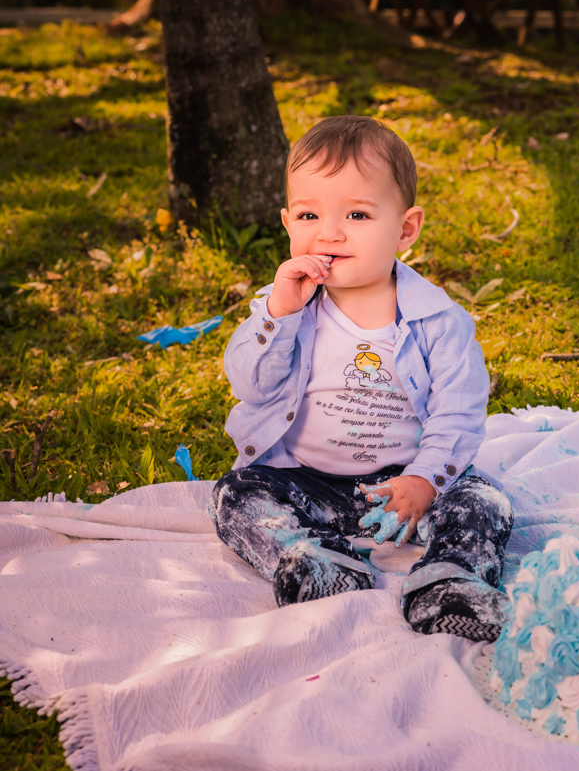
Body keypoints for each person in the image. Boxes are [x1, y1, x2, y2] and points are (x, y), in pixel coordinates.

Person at [208, 115, 511, 643]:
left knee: (485, 501)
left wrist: (424, 480)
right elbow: (250, 386)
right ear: (287, 223)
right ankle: (314, 562)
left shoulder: (439, 321)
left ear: (406, 228)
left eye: (356, 213)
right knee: (236, 493)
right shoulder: (286, 310)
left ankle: (451, 582)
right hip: (308, 482)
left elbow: (457, 414)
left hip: (402, 486)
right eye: (308, 214)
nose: (329, 232)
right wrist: (278, 314)